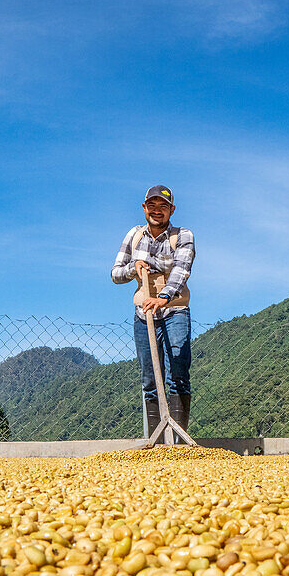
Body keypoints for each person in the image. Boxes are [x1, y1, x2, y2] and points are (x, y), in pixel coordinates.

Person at [111, 185, 196, 435]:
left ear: (172, 210)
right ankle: (157, 441)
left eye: (163, 207)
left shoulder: (183, 235)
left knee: (178, 373)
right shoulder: (135, 235)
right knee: (150, 379)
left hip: (175, 311)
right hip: (143, 314)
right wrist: (133, 267)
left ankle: (179, 443)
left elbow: (181, 270)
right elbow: (115, 273)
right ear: (144, 208)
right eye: (152, 206)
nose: (157, 211)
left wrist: (163, 297)